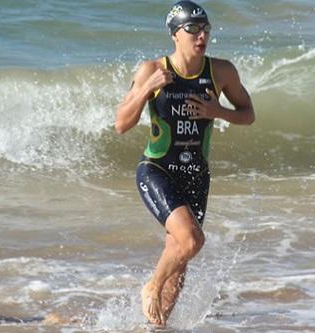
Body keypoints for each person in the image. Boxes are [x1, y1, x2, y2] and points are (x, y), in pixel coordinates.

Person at [115, 0, 254, 326]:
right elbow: (121, 124)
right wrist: (145, 89)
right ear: (175, 34)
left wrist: (216, 112)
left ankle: (156, 325)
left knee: (180, 259)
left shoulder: (221, 72)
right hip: (157, 169)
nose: (201, 35)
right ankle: (151, 286)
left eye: (205, 28)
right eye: (192, 29)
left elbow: (248, 114)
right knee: (192, 241)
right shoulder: (152, 70)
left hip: (195, 175)